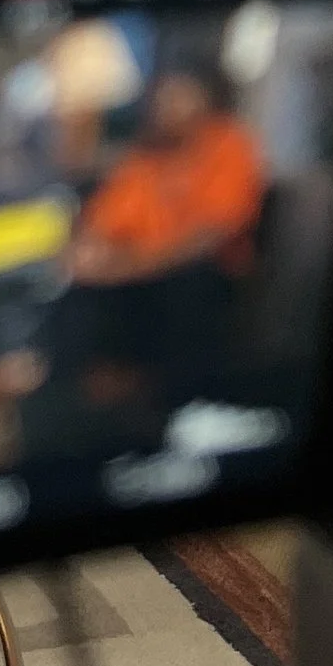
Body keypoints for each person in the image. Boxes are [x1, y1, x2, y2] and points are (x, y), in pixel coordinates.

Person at [54, 66, 268, 416]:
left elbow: (212, 233)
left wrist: (129, 267)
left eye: (178, 96)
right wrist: (86, 253)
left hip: (204, 272)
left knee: (191, 285)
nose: (167, 107)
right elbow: (103, 221)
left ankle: (174, 403)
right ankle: (82, 401)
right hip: (135, 274)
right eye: (161, 98)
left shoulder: (229, 143)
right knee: (73, 291)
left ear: (203, 100)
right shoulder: (144, 158)